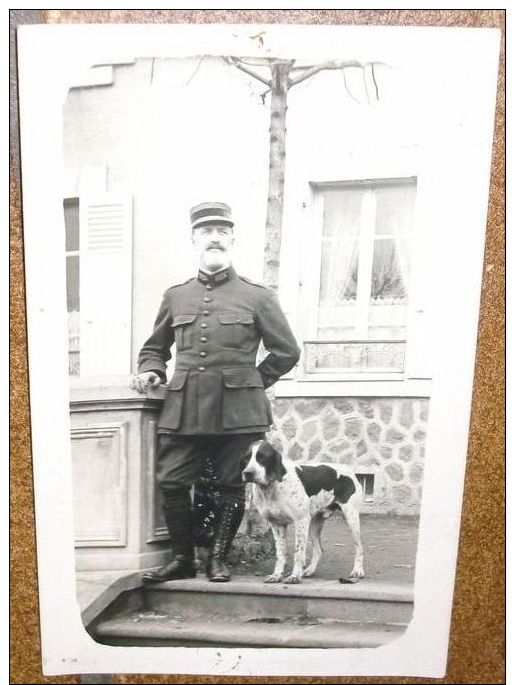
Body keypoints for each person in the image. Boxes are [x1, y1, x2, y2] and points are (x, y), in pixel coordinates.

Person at [132, 201, 300, 583]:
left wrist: (254, 382)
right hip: (184, 406)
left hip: (239, 411)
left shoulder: (257, 296)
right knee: (172, 480)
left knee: (229, 485)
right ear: (194, 239)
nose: (214, 238)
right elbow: (154, 348)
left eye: (222, 232)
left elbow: (287, 351)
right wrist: (152, 371)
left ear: (232, 239)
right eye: (207, 232)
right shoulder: (176, 296)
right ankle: (183, 558)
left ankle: (217, 560)